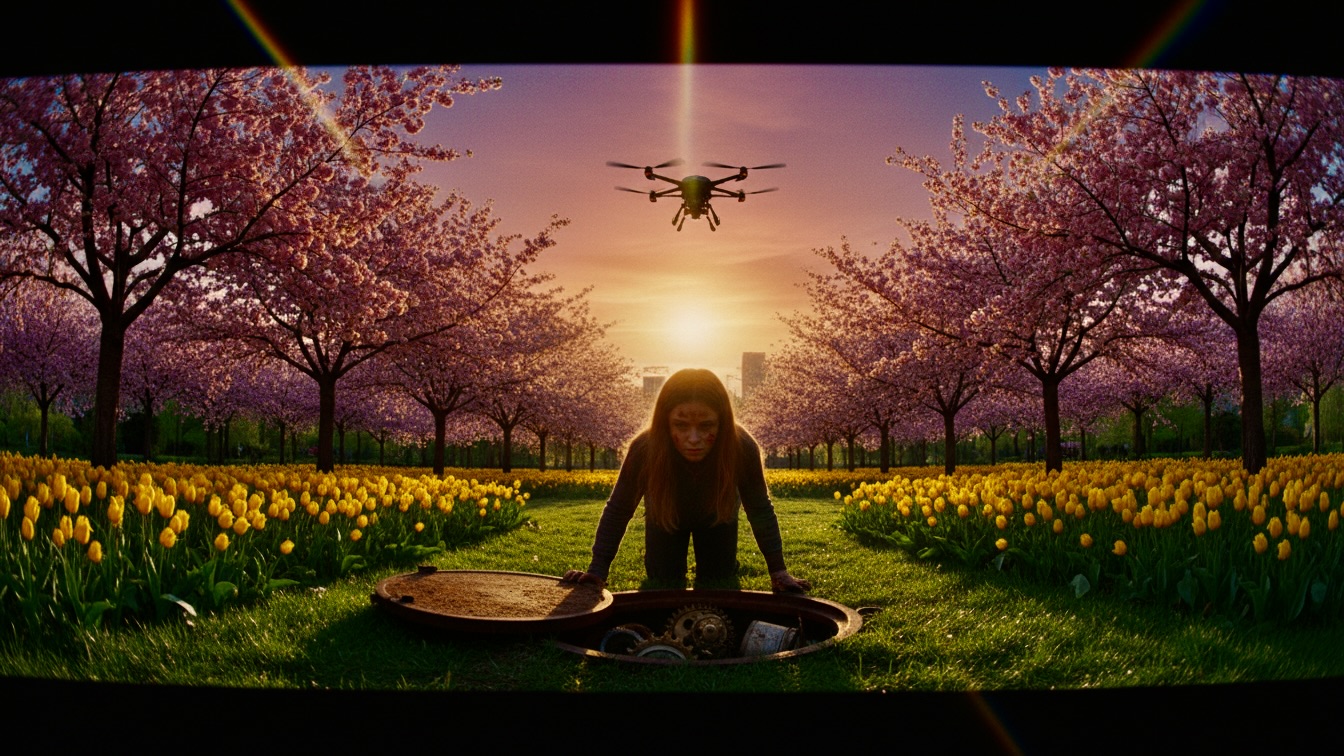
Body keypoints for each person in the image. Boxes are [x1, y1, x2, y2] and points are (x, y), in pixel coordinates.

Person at [561, 368, 811, 593]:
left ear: (721, 423)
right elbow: (619, 509)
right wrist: (597, 571)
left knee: (718, 579)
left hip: (718, 520)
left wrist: (778, 571)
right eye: (680, 425)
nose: (693, 438)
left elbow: (759, 509)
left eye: (706, 426)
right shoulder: (644, 448)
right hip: (665, 520)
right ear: (665, 423)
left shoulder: (741, 446)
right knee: (663, 579)